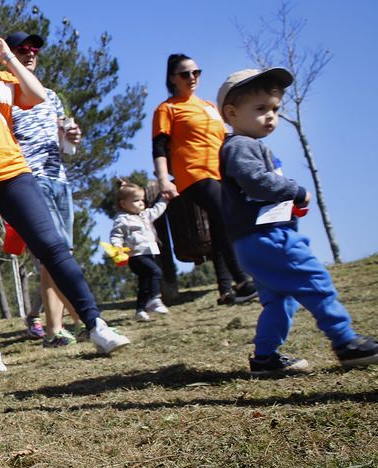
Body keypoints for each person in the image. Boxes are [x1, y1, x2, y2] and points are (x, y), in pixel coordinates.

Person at [0, 11, 130, 373]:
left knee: (53, 247)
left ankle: (96, 325)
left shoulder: (1, 77)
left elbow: (37, 96)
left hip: (15, 172)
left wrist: (10, 58)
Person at [215, 67, 378, 375]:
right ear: (232, 113)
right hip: (268, 238)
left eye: (275, 109)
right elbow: (255, 182)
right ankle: (345, 342)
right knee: (316, 280)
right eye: (260, 109)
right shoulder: (240, 146)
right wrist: (295, 190)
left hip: (255, 240)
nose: (270, 116)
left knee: (279, 300)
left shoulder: (252, 146)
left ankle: (265, 358)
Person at [152, 53, 258, 305]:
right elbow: (158, 146)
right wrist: (163, 179)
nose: (192, 77)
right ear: (172, 78)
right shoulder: (167, 108)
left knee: (221, 226)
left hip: (221, 172)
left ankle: (225, 289)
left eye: (196, 73)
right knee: (225, 216)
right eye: (185, 74)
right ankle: (242, 280)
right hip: (193, 173)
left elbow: (226, 139)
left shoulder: (210, 107)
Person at [6, 31, 82, 347]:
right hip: (28, 178)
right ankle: (62, 326)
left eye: (34, 48)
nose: (30, 53)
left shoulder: (49, 95)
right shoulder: (2, 92)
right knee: (54, 254)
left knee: (61, 253)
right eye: (22, 49)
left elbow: (64, 143)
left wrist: (72, 138)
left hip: (59, 178)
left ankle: (63, 325)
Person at [109, 182, 171, 322]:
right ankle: (154, 299)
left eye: (142, 200)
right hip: (136, 255)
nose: (141, 203)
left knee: (145, 282)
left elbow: (157, 210)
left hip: (149, 253)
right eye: (136, 200)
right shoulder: (123, 219)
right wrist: (117, 246)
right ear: (123, 204)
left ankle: (140, 310)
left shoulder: (145, 215)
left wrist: (164, 199)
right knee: (156, 272)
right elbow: (116, 234)